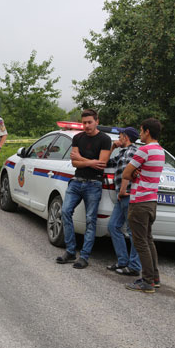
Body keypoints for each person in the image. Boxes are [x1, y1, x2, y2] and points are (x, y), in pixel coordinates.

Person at [55, 109, 112, 269]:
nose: (86, 125)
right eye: (84, 122)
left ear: (96, 121)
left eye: (89, 122)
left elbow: (101, 164)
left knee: (90, 220)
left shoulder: (105, 139)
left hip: (94, 184)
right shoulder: (78, 137)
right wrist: (90, 162)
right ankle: (71, 251)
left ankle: (84, 257)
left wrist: (82, 159)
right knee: (65, 212)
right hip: (76, 181)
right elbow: (74, 163)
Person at [122, 118, 164, 293]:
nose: (140, 134)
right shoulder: (160, 151)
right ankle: (154, 277)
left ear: (147, 131)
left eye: (141, 131)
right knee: (148, 240)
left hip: (139, 201)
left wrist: (133, 173)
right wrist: (136, 173)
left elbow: (125, 173)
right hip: (151, 201)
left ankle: (147, 281)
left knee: (140, 242)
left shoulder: (144, 150)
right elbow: (140, 173)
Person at [106, 127, 142, 276]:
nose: (118, 138)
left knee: (132, 230)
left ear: (125, 137)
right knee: (113, 226)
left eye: (120, 136)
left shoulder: (131, 151)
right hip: (122, 196)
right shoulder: (121, 152)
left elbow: (130, 170)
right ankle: (122, 261)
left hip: (128, 194)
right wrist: (113, 147)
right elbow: (106, 163)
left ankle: (134, 266)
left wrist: (123, 188)